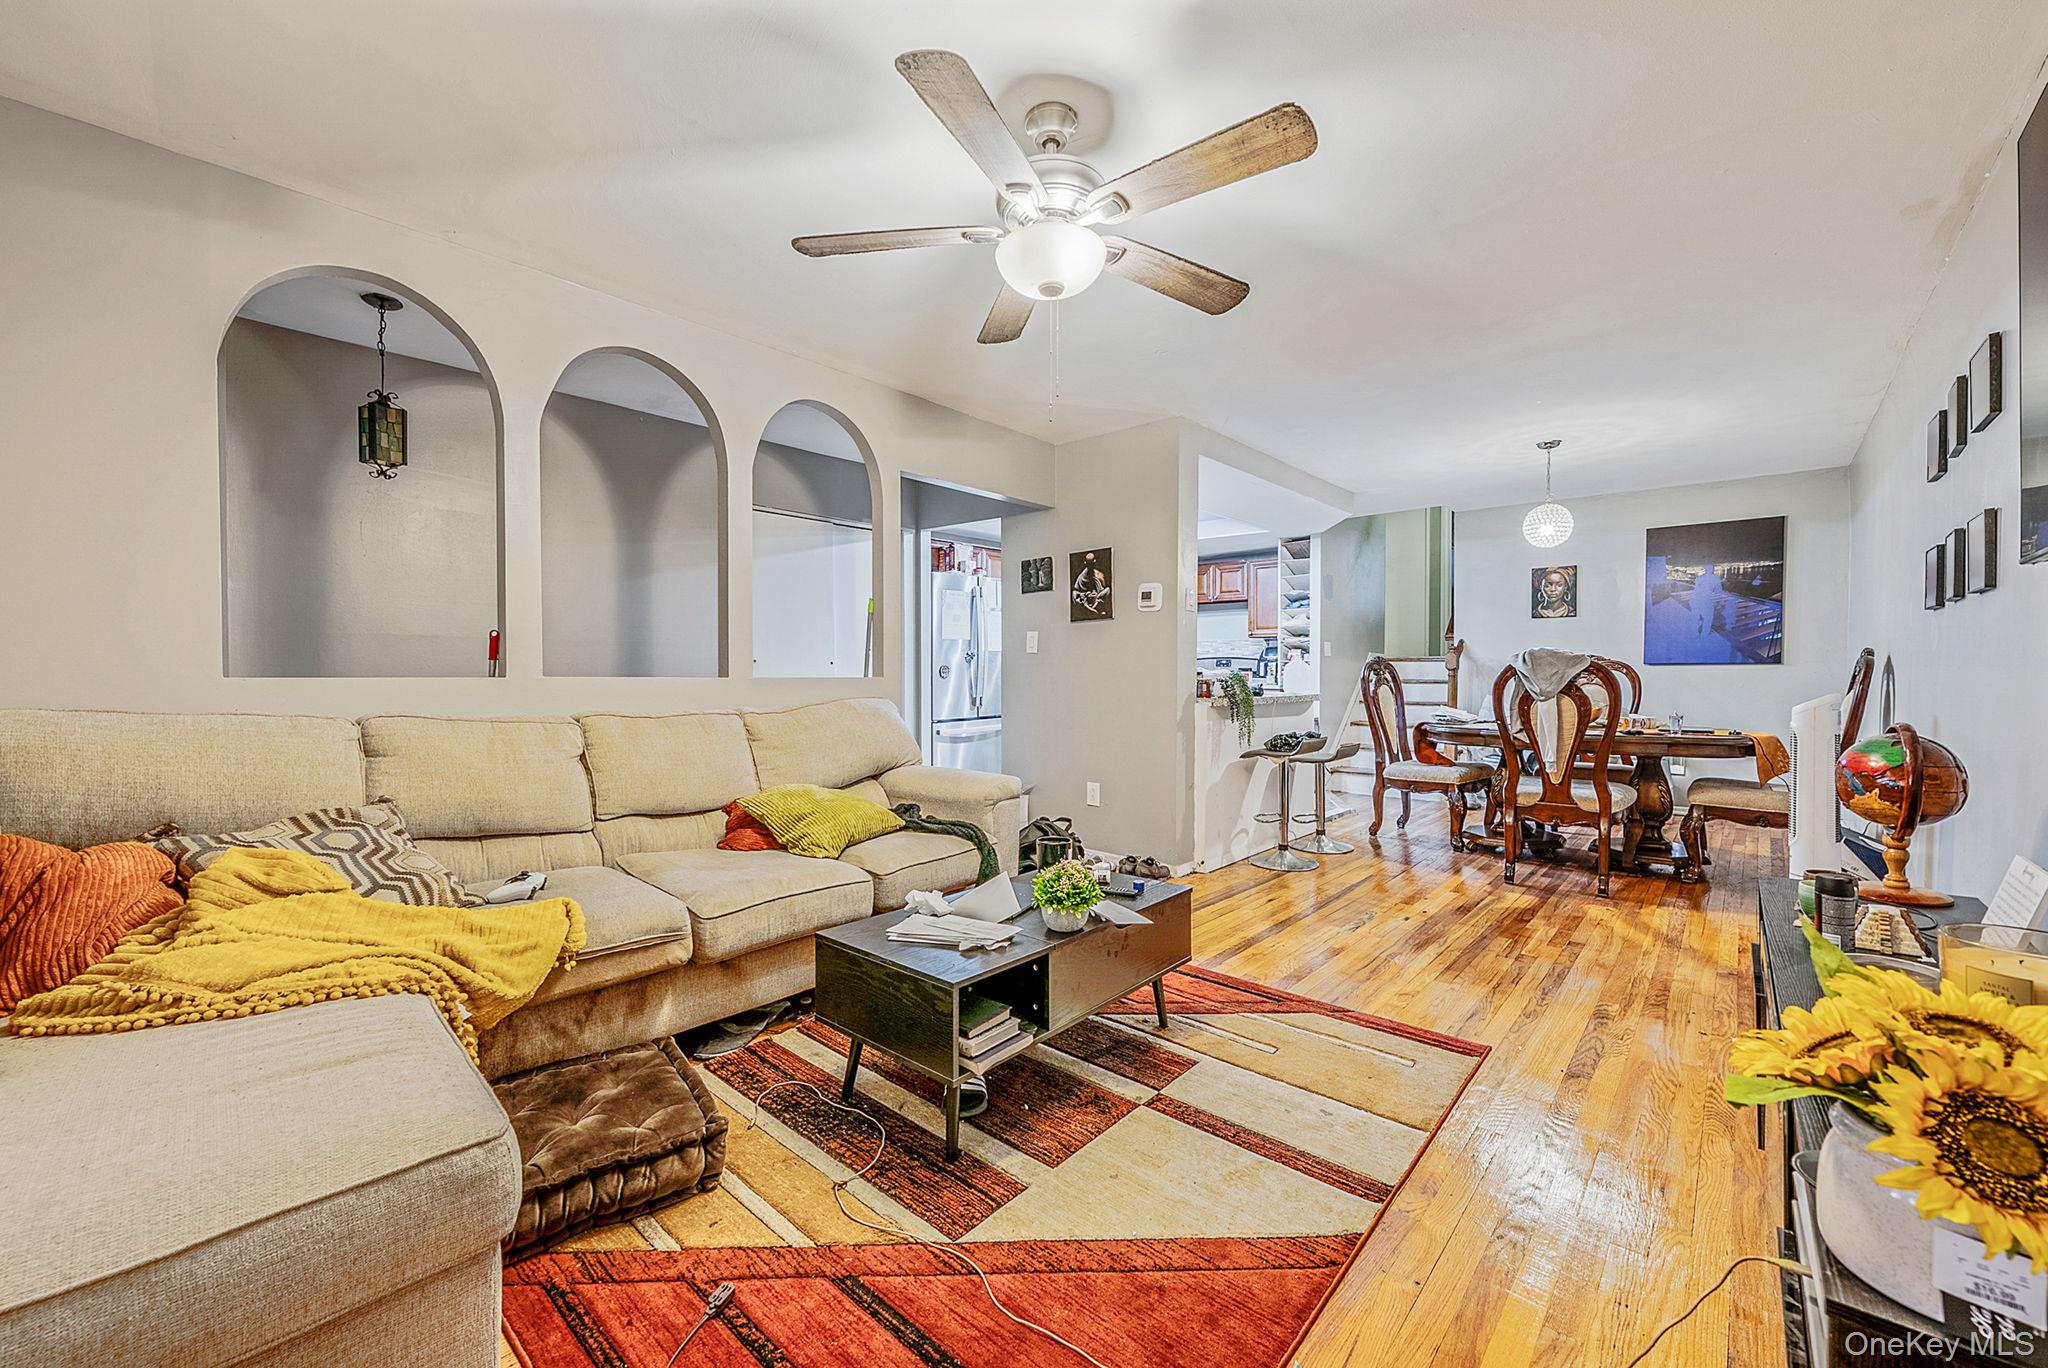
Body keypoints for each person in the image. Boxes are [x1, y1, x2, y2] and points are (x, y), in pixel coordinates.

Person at [1691, 562, 1722, 639]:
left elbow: (1696, 589)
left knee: (1696, 618)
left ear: (1705, 569)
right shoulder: (1716, 578)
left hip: (1695, 599)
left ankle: (1695, 634)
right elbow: (1718, 591)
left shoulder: (1699, 578)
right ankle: (1704, 635)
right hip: (1706, 600)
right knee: (1708, 618)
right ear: (1712, 569)